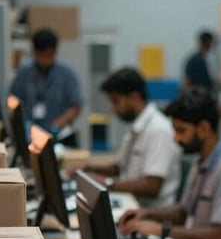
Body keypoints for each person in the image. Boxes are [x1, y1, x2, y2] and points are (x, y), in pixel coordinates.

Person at [118, 86, 221, 239]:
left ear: (203, 128)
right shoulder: (201, 159)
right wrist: (148, 215)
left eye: (181, 131)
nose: (175, 138)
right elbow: (185, 212)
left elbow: (219, 238)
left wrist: (163, 231)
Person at [70, 67, 182, 208]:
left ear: (134, 97)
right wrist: (88, 169)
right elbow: (118, 167)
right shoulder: (137, 126)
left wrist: (107, 182)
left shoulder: (159, 130)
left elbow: (152, 187)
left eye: (116, 101)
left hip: (151, 214)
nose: (112, 108)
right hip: (131, 204)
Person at [10, 28, 82, 146]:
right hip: (30, 135)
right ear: (34, 52)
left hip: (58, 135)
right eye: (40, 55)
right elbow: (14, 103)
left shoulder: (66, 74)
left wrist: (58, 124)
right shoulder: (23, 74)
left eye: (48, 55)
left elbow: (75, 106)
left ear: (55, 52)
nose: (44, 60)